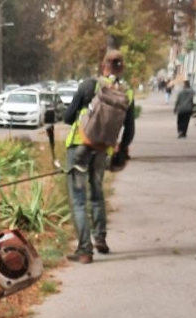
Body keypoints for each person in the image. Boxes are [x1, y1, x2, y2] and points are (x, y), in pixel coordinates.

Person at [62, 49, 135, 263]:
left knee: (78, 199)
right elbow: (130, 131)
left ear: (103, 66)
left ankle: (84, 249)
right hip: (103, 150)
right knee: (97, 193)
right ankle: (100, 238)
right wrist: (121, 149)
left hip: (79, 147)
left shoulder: (89, 86)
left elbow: (68, 117)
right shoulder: (127, 93)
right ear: (121, 69)